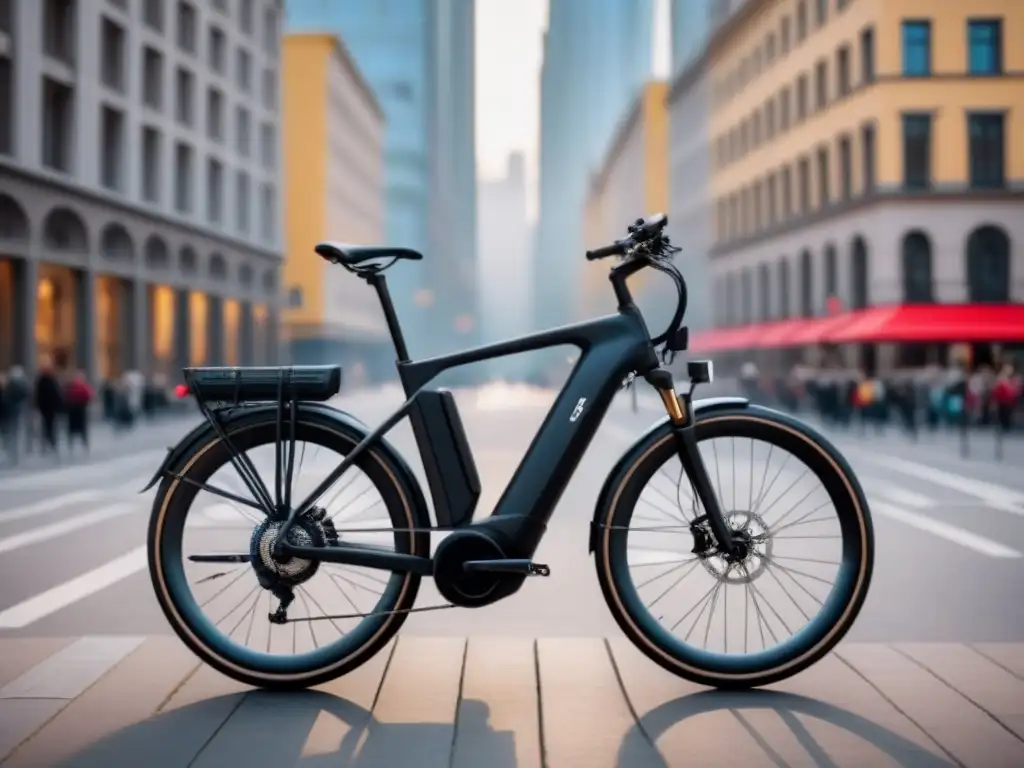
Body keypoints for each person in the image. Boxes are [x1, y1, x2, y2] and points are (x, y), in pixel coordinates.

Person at [34, 356, 63, 456]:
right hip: (45, 408)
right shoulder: (42, 381)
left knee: (51, 426)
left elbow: (57, 394)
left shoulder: (52, 380)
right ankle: (48, 442)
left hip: (52, 408)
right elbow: (39, 395)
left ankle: (51, 442)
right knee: (47, 426)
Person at [0, 366, 29, 465]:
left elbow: (5, 400)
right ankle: (13, 455)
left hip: (9, 414)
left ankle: (11, 455)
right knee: (13, 434)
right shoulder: (19, 386)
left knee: (10, 435)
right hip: (12, 414)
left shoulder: (11, 386)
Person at [64, 369, 94, 453]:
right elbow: (89, 395)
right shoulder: (82, 385)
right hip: (80, 408)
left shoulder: (71, 386)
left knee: (73, 428)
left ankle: (72, 443)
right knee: (82, 428)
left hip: (73, 409)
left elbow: (66, 396)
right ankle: (84, 443)